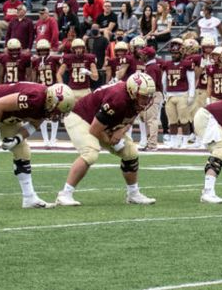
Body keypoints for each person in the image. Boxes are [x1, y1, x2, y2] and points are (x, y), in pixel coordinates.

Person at [0, 81, 74, 210]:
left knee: (23, 151)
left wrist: (17, 139)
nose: (58, 115)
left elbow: (34, 124)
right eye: (58, 111)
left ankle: (29, 197)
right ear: (52, 100)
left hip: (8, 115)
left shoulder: (45, 105)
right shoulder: (34, 98)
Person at [55, 74, 158, 207]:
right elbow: (95, 129)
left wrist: (120, 132)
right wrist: (110, 140)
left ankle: (133, 194)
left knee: (131, 153)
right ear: (133, 91)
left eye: (149, 96)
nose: (147, 100)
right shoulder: (118, 99)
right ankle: (65, 194)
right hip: (82, 117)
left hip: (103, 123)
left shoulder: (134, 99)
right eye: (144, 96)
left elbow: (129, 119)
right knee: (90, 153)